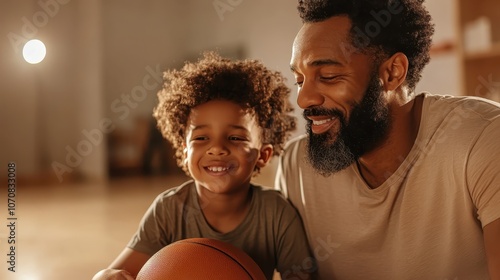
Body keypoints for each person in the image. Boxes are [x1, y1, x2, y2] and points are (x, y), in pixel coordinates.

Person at [276, 0, 500, 279]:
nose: (303, 99)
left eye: (328, 76)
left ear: (392, 72)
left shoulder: (483, 137)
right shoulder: (296, 166)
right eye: (299, 79)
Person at [93, 51, 316, 280]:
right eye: (201, 138)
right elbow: (116, 272)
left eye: (236, 138)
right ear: (184, 150)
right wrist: (106, 276)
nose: (217, 148)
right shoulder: (168, 211)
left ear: (263, 155)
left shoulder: (277, 214)